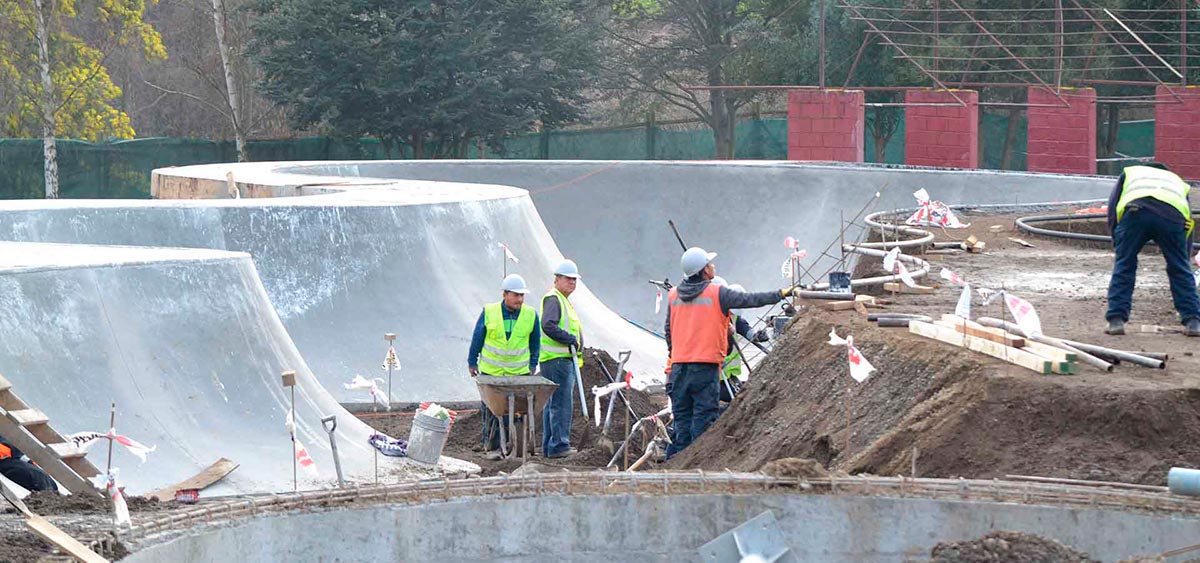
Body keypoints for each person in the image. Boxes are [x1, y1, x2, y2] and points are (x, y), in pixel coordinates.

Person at [663, 247, 795, 457]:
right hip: (704, 369)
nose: (713, 266)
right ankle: (699, 471)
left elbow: (669, 331)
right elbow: (750, 299)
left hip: (678, 369)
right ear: (704, 270)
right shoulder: (717, 293)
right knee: (703, 425)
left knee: (681, 424)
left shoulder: (673, 295)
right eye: (710, 263)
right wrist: (781, 294)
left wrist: (678, 353)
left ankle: (673, 474)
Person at [1104, 163, 1200, 336]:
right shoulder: (1176, 181)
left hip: (1136, 212)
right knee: (1179, 268)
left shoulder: (1132, 173)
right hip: (1172, 216)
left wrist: (1117, 240)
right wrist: (1183, 258)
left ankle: (1116, 320)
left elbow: (1113, 205)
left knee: (1125, 264)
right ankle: (1193, 321)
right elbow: (1187, 220)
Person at [468, 274, 541, 460]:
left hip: (519, 373)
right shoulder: (489, 311)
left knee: (517, 411)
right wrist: (472, 361)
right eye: (516, 295)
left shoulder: (530, 315)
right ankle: (492, 447)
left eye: (522, 296)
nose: (520, 299)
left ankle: (514, 446)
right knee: (492, 411)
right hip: (491, 373)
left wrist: (533, 364)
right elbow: (478, 337)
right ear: (505, 294)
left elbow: (535, 342)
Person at [539, 259, 584, 459]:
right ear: (557, 279)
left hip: (557, 360)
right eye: (568, 279)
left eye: (574, 279)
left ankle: (550, 446)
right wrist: (570, 340)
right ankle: (558, 446)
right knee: (561, 404)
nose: (572, 282)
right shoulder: (554, 299)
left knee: (553, 404)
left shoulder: (562, 300)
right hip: (558, 360)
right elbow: (548, 324)